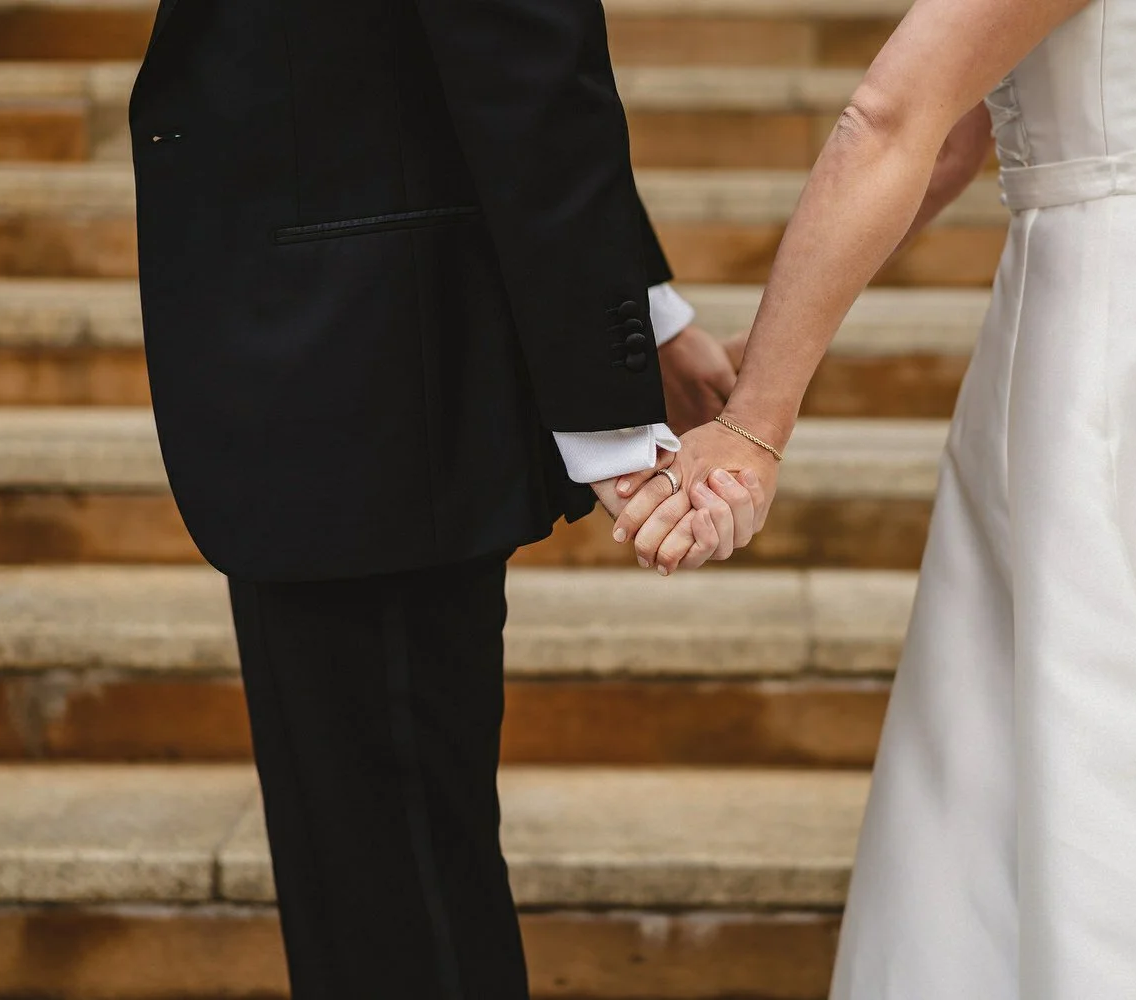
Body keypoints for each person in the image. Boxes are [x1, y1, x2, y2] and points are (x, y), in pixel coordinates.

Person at [614, 0, 1136, 994]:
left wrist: (757, 421)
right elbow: (952, 136)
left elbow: (897, 116)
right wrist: (772, 366)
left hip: (1128, 330)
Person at [128, 0, 761, 996]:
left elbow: (525, 55)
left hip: (365, 362)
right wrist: (648, 304)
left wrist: (609, 413)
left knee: (398, 902)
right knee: (366, 885)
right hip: (337, 350)